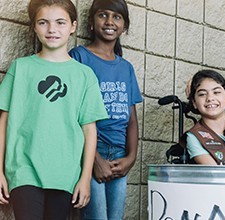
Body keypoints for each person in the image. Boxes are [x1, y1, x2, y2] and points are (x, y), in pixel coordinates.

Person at [0, 0, 108, 219]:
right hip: (23, 169)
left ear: (73, 26)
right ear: (34, 27)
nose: (52, 29)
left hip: (65, 173)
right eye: (43, 22)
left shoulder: (84, 75)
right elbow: (4, 121)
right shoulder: (20, 68)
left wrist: (85, 178)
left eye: (60, 22)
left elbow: (89, 130)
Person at [68, 0, 142, 219]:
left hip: (119, 157)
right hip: (91, 151)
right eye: (103, 15)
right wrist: (95, 160)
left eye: (117, 17)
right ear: (91, 22)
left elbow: (132, 120)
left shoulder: (126, 67)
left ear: (124, 26)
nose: (110, 21)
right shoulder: (79, 57)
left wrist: (131, 158)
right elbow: (71, 114)